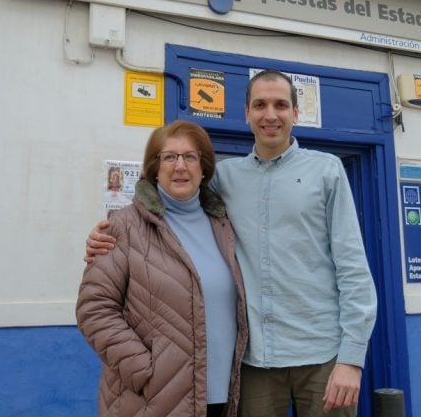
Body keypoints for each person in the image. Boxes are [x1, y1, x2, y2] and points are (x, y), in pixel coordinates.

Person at [87, 70, 377, 416]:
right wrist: (106, 235)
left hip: (322, 357)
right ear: (247, 114)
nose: (270, 114)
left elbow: (353, 268)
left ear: (296, 114)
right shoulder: (225, 179)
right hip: (254, 363)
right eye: (260, 105)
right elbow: (169, 203)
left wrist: (352, 358)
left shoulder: (327, 172)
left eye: (281, 105)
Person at [77, 120, 248, 417]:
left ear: (204, 167)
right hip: (154, 400)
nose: (180, 166)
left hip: (222, 398)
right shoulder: (124, 226)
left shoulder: (224, 226)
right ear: (155, 167)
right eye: (169, 157)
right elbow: (94, 308)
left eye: (190, 157)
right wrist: (143, 369)